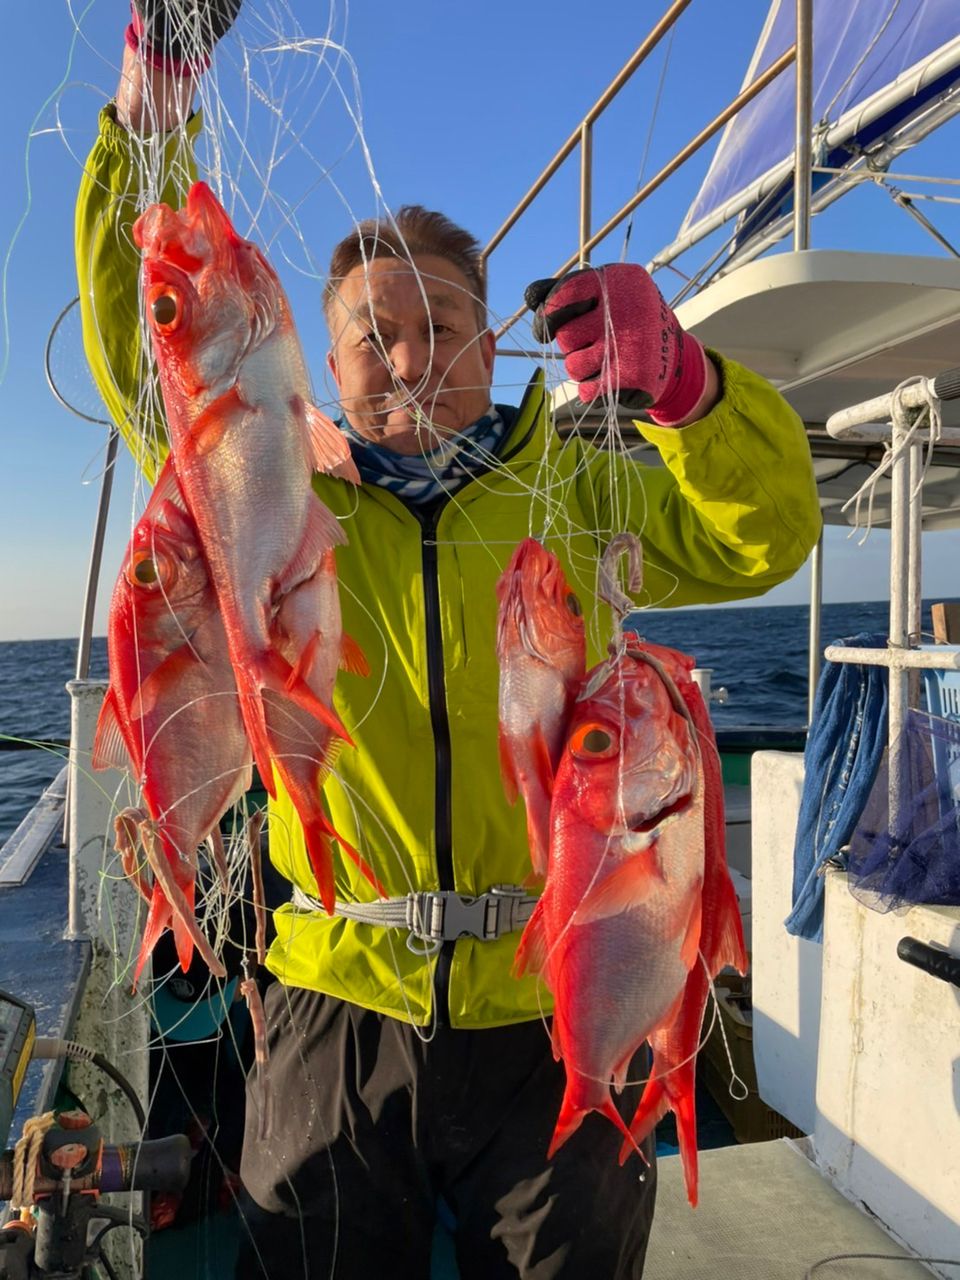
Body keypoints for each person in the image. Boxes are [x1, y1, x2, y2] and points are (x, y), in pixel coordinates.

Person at [76, 5, 822, 1276]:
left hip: (550, 990)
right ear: (311, 350)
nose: (407, 354)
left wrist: (690, 386)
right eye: (371, 331)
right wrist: (157, 93)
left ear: (493, 340)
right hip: (332, 993)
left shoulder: (581, 489)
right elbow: (139, 320)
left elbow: (767, 534)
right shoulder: (264, 486)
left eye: (440, 325)